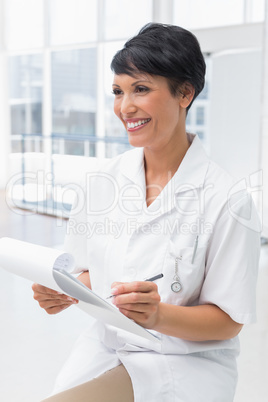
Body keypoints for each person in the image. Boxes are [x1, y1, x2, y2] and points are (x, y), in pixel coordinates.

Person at [32, 23, 260, 402]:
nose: (125, 107)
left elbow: (229, 320)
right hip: (107, 349)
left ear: (184, 93)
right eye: (118, 92)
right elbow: (91, 271)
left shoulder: (228, 200)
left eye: (141, 89)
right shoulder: (102, 181)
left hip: (185, 362)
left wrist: (158, 316)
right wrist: (66, 291)